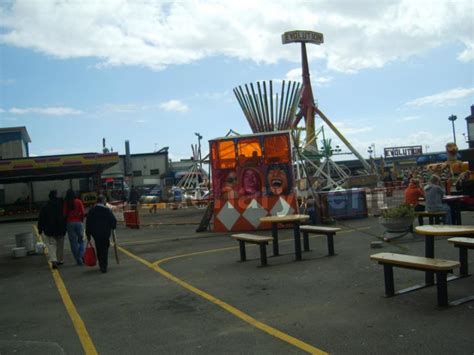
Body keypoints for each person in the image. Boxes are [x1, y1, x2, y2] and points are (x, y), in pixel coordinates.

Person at [86, 195, 117, 273]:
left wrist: (88, 234)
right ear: (103, 201)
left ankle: (101, 264)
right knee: (105, 249)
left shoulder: (92, 210)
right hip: (105, 232)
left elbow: (88, 223)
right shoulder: (107, 211)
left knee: (99, 248)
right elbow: (113, 221)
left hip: (95, 233)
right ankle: (104, 265)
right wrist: (113, 227)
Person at [37, 190, 66, 269]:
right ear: (56, 195)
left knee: (51, 245)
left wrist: (39, 228)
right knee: (60, 245)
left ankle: (54, 260)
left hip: (49, 230)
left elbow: (41, 218)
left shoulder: (45, 206)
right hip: (60, 228)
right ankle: (60, 260)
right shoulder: (61, 204)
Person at [64, 189, 86, 265]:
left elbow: (64, 214)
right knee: (82, 240)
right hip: (79, 222)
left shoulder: (66, 202)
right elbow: (83, 213)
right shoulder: (78, 201)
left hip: (70, 223)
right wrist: (81, 220)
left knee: (73, 243)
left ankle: (78, 259)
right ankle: (81, 255)